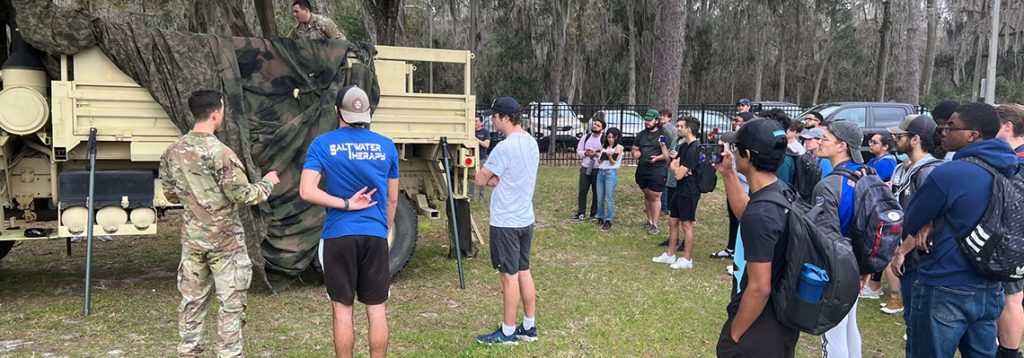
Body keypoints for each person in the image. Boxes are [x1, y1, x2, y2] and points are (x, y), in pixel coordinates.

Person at [160, 90, 281, 358]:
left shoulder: (173, 151)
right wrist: (269, 182)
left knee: (192, 304)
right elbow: (243, 195)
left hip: (193, 241)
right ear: (216, 113)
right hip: (225, 244)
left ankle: (190, 352)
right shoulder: (222, 153)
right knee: (231, 306)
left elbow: (169, 192)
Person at [904, 102, 1015, 356]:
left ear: (973, 135)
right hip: (990, 286)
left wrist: (931, 221)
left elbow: (911, 222)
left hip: (944, 283)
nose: (942, 132)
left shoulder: (950, 174)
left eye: (950, 127)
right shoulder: (1012, 171)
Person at [299, 85, 398, 358]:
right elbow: (391, 200)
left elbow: (306, 190)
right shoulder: (387, 146)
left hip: (338, 236)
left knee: (342, 310)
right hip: (375, 236)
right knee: (377, 309)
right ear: (367, 113)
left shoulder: (322, 144)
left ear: (336, 111)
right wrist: (383, 227)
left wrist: (345, 204)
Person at [714, 119, 799, 356]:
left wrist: (736, 333)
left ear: (747, 155)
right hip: (782, 317)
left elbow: (760, 288)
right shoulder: (780, 191)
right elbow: (749, 214)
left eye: (736, 147)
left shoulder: (762, 214)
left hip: (761, 324)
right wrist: (729, 173)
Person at [473, 96, 540, 345]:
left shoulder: (504, 147)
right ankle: (529, 326)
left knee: (508, 276)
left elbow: (480, 178)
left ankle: (509, 331)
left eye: (495, 116)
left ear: (505, 117)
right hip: (525, 218)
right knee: (523, 270)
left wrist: (489, 179)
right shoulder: (531, 143)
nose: (493, 120)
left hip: (506, 222)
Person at [813, 121, 871, 357]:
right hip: (858, 261)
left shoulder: (828, 185)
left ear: (841, 146)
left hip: (837, 265)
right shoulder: (868, 173)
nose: (819, 142)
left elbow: (826, 236)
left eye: (825, 138)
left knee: (832, 330)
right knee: (849, 325)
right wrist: (867, 265)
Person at [653, 117, 702, 269]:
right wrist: (677, 169)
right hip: (679, 189)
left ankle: (687, 259)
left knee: (686, 224)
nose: (678, 129)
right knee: (672, 221)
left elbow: (679, 173)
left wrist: (677, 169)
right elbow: (673, 166)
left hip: (689, 190)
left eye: (682, 126)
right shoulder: (683, 146)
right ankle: (670, 255)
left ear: (689, 129)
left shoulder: (695, 148)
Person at [995, 103, 1024, 358]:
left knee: (1011, 298)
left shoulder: (1016, 161)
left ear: (1008, 126)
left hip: (1015, 239)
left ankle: (1009, 352)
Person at [709, 112, 751, 259]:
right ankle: (731, 248)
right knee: (733, 220)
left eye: (738, 121)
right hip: (735, 187)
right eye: (734, 120)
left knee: (744, 222)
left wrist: (732, 171)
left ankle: (742, 254)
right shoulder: (734, 146)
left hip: (745, 191)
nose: (735, 123)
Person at [632, 109, 671, 235]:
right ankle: (649, 221)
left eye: (650, 120)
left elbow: (669, 153)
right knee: (647, 195)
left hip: (658, 170)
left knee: (655, 196)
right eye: (646, 120)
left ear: (656, 120)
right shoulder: (641, 134)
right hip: (643, 169)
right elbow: (635, 147)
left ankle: (655, 224)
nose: (647, 122)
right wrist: (635, 152)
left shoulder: (663, 134)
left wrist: (657, 158)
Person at [573, 118, 604, 222]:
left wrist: (596, 154)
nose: (595, 126)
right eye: (595, 124)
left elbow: (606, 153)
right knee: (582, 191)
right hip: (585, 167)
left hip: (598, 169)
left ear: (602, 129)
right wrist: (586, 153)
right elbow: (578, 150)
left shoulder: (603, 139)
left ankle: (593, 214)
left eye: (598, 125)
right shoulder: (585, 138)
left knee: (596, 192)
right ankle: (581, 213)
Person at [595, 127, 624, 230]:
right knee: (600, 197)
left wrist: (610, 156)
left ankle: (608, 219)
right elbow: (599, 161)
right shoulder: (605, 147)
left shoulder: (619, 147)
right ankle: (600, 216)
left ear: (616, 137)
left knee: (609, 198)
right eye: (608, 137)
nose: (610, 139)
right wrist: (600, 157)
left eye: (612, 137)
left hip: (610, 173)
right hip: (601, 172)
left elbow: (613, 162)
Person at [659, 109, 678, 216]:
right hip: (664, 157)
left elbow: (670, 145)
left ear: (669, 118)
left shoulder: (670, 129)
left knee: (665, 184)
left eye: (665, 116)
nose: (662, 118)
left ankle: (664, 208)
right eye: (661, 116)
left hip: (669, 158)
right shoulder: (662, 128)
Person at [473, 113, 491, 201]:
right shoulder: (470, 132)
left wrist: (476, 140)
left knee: (482, 177)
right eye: (473, 121)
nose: (474, 123)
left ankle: (481, 198)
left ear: (481, 122)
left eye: (476, 121)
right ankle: (470, 197)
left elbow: (486, 144)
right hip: (472, 158)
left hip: (481, 158)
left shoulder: (485, 132)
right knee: (470, 178)